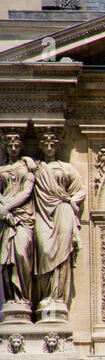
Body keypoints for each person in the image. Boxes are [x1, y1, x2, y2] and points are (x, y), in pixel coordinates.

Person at [32, 131, 86, 316]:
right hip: (41, 214)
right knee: (44, 250)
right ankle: (44, 295)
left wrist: (72, 201)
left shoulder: (66, 168)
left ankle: (56, 296)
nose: (49, 148)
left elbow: (80, 189)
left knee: (62, 255)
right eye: (46, 144)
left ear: (57, 147)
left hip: (62, 211)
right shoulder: (35, 168)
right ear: (41, 146)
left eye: (52, 145)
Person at [0, 132, 37, 318]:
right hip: (5, 220)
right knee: (6, 262)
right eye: (10, 145)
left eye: (17, 145)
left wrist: (6, 207)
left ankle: (24, 298)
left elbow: (26, 192)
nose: (13, 149)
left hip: (22, 217)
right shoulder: (1, 169)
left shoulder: (28, 167)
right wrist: (3, 211)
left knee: (22, 254)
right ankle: (12, 300)